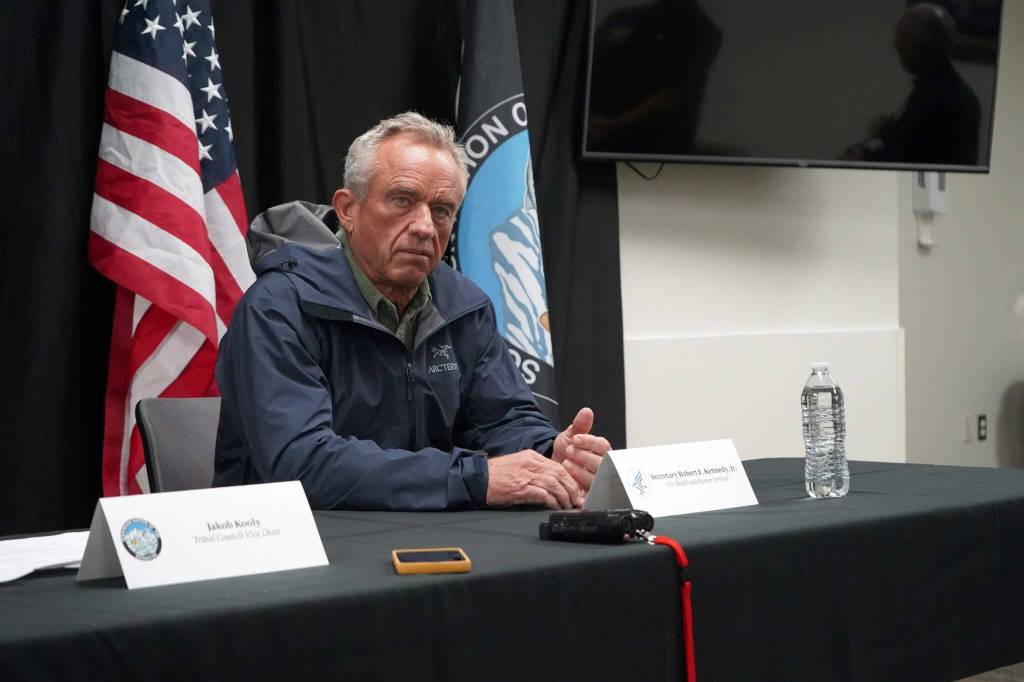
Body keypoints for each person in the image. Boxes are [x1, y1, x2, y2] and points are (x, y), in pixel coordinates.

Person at [214, 112, 611, 511]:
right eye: (402, 200)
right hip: (297, 547)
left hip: (424, 534)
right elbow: (303, 464)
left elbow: (501, 420)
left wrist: (548, 453)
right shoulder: (278, 308)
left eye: (441, 210)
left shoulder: (465, 306)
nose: (424, 226)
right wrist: (474, 478)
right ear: (348, 209)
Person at [842, 2, 980, 165]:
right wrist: (891, 131)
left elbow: (907, 159)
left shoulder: (935, 98)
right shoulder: (952, 91)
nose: (896, 46)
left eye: (901, 40)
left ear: (921, 47)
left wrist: (863, 157)